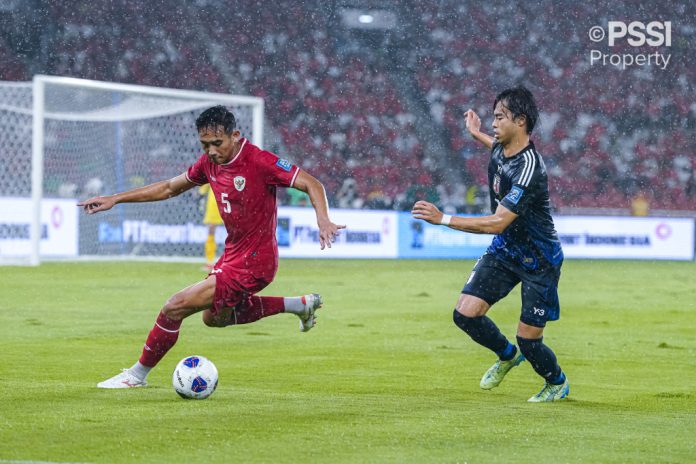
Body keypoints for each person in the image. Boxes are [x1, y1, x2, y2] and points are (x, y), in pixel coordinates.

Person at [79, 105, 345, 389]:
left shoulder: (259, 161)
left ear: (235, 136)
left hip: (255, 261)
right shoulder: (209, 163)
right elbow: (169, 188)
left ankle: (136, 375)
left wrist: (323, 219)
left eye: (217, 143)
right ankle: (299, 305)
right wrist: (116, 199)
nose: (211, 151)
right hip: (233, 257)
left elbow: (311, 183)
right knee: (214, 319)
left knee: (174, 306)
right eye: (205, 145)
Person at [412, 86, 569, 402]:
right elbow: (494, 148)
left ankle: (556, 382)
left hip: (539, 259)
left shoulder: (530, 168)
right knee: (465, 315)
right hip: (506, 250)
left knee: (530, 340)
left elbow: (497, 222)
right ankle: (507, 355)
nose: (494, 123)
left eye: (500, 117)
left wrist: (444, 219)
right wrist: (476, 133)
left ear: (520, 121)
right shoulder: (501, 147)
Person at [198, 183, 224, 270]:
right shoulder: (212, 169)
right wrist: (201, 194)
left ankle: (234, 260)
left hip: (230, 198)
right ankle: (210, 261)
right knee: (211, 230)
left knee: (235, 230)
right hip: (215, 201)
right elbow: (205, 181)